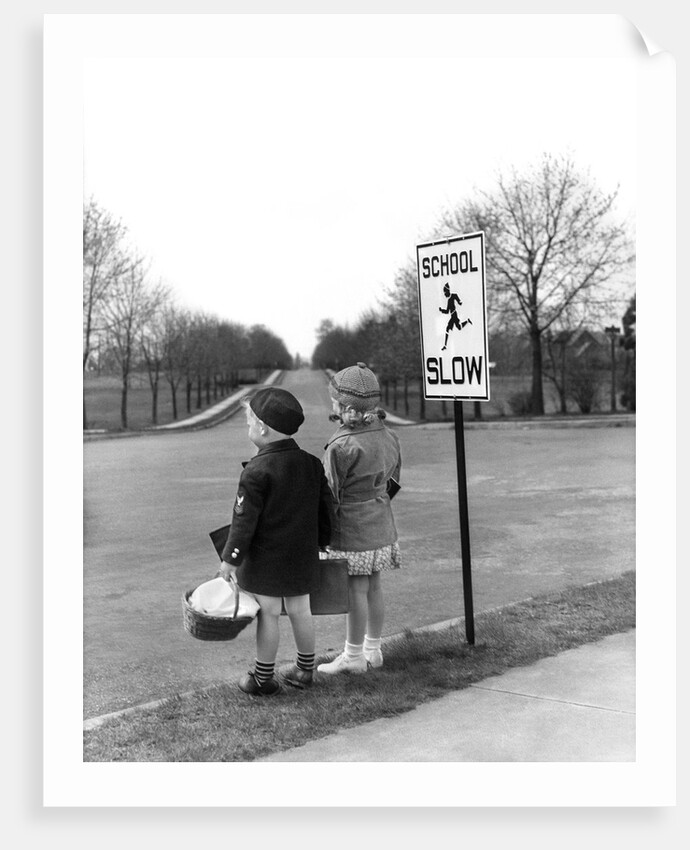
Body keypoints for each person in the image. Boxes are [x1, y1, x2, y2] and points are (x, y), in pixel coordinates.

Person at [219, 387, 334, 696]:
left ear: (262, 428)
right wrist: (324, 542)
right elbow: (326, 509)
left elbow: (243, 522)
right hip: (302, 555)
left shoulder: (256, 471)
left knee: (268, 613)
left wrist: (230, 559)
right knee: (300, 610)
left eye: (248, 422)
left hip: (266, 560)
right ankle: (305, 670)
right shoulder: (311, 464)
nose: (248, 428)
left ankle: (262, 678)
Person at [317, 363, 402, 675]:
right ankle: (373, 650)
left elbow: (330, 494)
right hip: (381, 522)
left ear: (344, 406)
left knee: (355, 589)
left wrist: (321, 534)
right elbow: (394, 480)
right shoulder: (389, 436)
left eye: (334, 401)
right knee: (374, 586)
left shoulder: (341, 446)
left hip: (352, 527)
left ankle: (353, 656)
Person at [439, 281, 472, 350]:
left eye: (445, 292)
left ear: (448, 291)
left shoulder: (453, 296)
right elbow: (447, 311)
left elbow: (458, 300)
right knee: (458, 327)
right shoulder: (449, 300)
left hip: (454, 314)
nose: (444, 294)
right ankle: (467, 321)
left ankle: (445, 345)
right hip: (452, 315)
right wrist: (441, 310)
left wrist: (460, 302)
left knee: (449, 328)